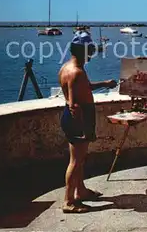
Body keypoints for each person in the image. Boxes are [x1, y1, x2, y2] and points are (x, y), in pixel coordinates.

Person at [58, 31, 117, 213]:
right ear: (83, 50)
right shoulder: (76, 72)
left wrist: (105, 84)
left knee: (80, 159)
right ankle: (68, 201)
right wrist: (84, 127)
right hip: (79, 119)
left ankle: (81, 191)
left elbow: (85, 87)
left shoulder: (67, 68)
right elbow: (74, 105)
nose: (91, 53)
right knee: (75, 161)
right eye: (90, 49)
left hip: (74, 119)